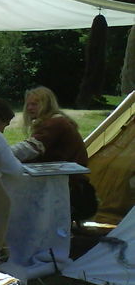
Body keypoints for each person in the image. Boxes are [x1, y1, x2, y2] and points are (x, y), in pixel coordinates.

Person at [11, 86, 98, 221]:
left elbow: (30, 148)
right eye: (28, 104)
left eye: (34, 104)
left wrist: (2, 154)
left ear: (46, 104)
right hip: (62, 183)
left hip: (69, 187)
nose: (29, 108)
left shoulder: (55, 123)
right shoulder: (54, 121)